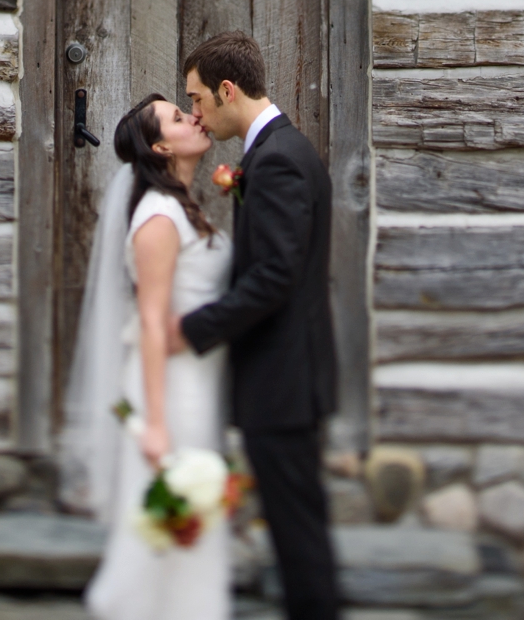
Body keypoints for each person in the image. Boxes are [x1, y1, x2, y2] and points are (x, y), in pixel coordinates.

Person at [175, 31, 341, 620]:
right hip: (288, 382)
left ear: (226, 90)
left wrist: (193, 329)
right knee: (301, 531)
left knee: (300, 542)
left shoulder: (276, 164)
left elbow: (274, 278)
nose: (194, 113)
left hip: (282, 384)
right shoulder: (280, 153)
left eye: (196, 99)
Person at [66, 93, 235, 620]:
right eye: (179, 118)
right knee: (167, 521)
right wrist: (156, 424)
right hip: (169, 389)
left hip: (196, 384)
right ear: (161, 146)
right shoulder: (158, 217)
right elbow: (150, 322)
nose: (194, 118)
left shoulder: (184, 206)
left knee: (189, 524)